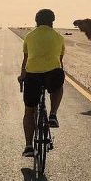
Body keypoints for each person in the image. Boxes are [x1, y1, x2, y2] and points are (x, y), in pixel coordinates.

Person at [18, 9, 65, 157]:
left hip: (33, 76)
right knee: (58, 84)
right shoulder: (59, 37)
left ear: (36, 21)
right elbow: (60, 61)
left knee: (29, 112)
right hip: (52, 75)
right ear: (52, 21)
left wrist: (21, 77)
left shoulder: (29, 36)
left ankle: (28, 146)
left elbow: (26, 60)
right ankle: (52, 114)